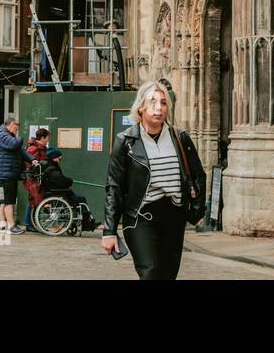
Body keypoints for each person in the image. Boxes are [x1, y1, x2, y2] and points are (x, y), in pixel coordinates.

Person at [102, 79, 206, 280]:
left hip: (173, 216)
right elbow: (113, 187)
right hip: (141, 217)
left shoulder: (180, 137)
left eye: (163, 102)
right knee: (151, 272)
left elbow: (198, 175)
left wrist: (197, 210)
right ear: (141, 107)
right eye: (152, 102)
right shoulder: (125, 141)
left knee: (167, 275)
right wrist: (109, 230)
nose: (159, 108)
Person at [0, 113, 34, 235]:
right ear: (10, 124)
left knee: (3, 201)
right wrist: (19, 137)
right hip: (5, 174)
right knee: (8, 201)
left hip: (2, 174)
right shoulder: (4, 135)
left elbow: (20, 152)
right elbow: (15, 144)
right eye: (16, 125)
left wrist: (32, 159)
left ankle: (2, 224)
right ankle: (11, 226)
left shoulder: (5, 135)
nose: (17, 128)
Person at [41, 147, 98, 232]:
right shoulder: (52, 168)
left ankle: (85, 223)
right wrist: (70, 182)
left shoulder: (48, 166)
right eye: (59, 158)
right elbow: (60, 180)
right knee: (82, 200)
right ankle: (86, 224)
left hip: (54, 192)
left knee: (79, 198)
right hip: (59, 194)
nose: (60, 159)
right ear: (54, 157)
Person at [23, 127, 50, 230]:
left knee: (33, 200)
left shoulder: (40, 148)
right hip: (32, 178)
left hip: (35, 177)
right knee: (34, 199)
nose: (48, 140)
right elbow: (29, 163)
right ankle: (29, 223)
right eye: (47, 138)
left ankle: (29, 223)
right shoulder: (34, 148)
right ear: (42, 138)